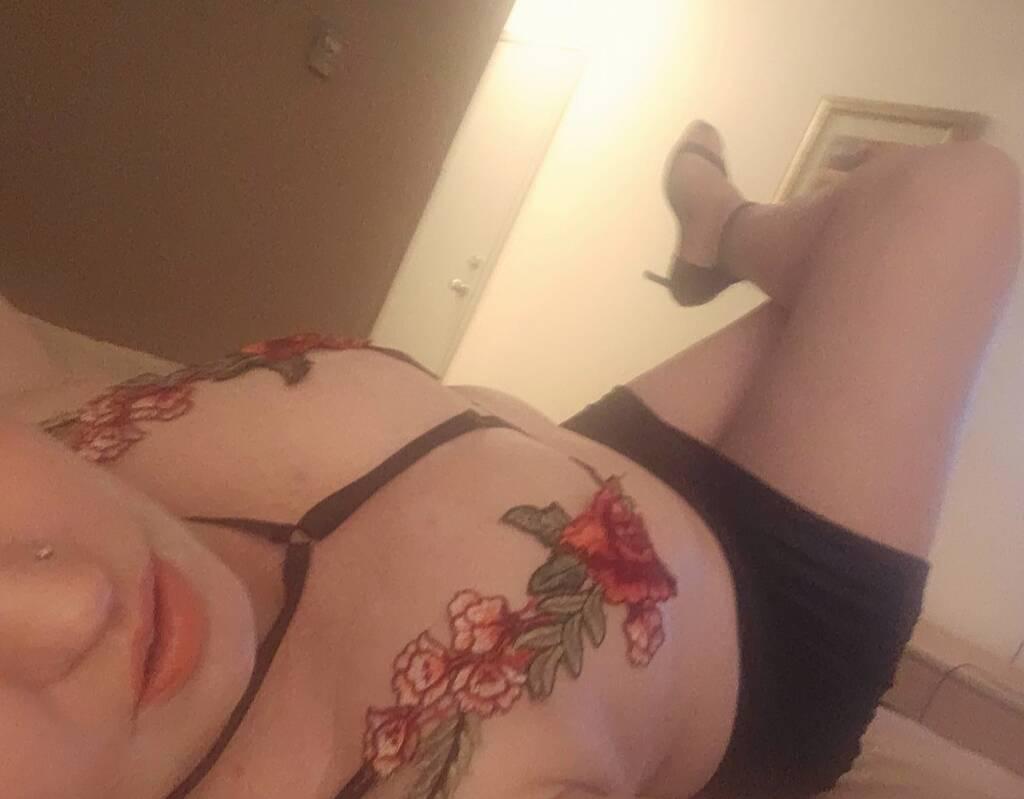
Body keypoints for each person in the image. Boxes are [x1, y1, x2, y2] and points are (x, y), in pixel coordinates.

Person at [0, 121, 1018, 799]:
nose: (72, 605)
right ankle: (725, 224)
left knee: (921, 213)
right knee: (955, 195)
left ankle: (721, 228)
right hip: (773, 640)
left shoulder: (32, 417)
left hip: (590, 468)